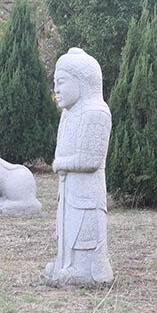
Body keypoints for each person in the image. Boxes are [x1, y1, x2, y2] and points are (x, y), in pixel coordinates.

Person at [45, 47, 114, 286]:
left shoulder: (96, 112)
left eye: (61, 82)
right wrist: (61, 162)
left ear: (82, 82)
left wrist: (61, 163)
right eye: (55, 83)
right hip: (68, 188)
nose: (56, 89)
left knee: (84, 229)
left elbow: (91, 160)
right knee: (66, 227)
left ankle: (88, 270)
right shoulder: (67, 115)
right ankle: (66, 263)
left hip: (87, 191)